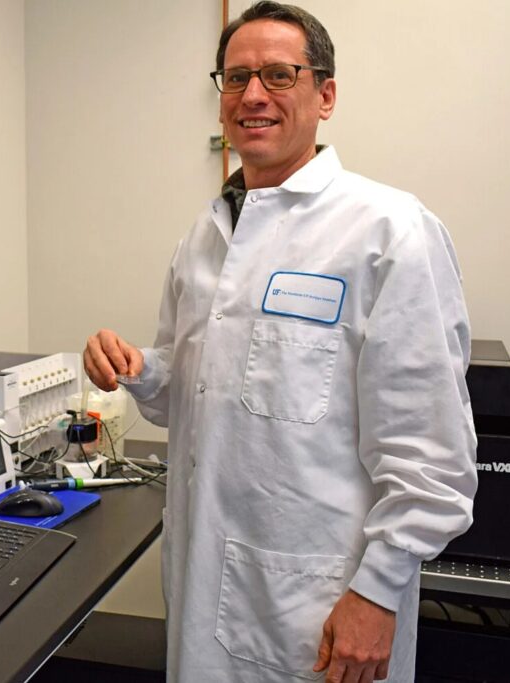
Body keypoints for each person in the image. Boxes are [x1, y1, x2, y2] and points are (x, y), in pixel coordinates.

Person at [83, 2, 477, 681]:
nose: (253, 95)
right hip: (204, 589)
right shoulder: (202, 239)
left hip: (320, 610)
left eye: (277, 74)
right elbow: (197, 390)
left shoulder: (388, 231)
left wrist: (377, 592)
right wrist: (141, 368)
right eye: (235, 78)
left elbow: (432, 457)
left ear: (325, 95)